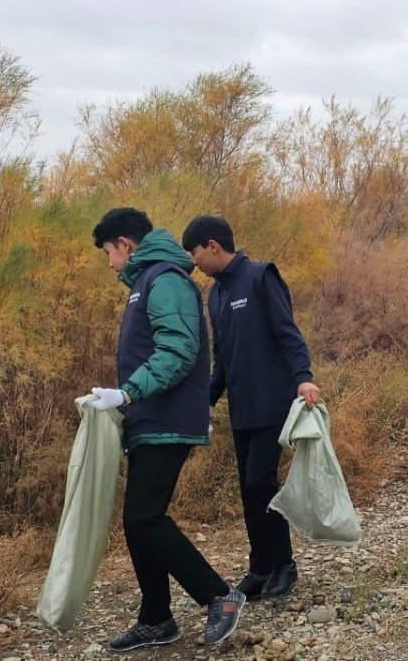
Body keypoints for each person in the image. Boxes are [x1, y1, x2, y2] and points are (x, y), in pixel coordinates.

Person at [88, 208, 244, 651]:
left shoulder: (165, 280)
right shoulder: (145, 283)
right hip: (149, 421)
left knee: (144, 517)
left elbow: (177, 350)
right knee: (137, 522)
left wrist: (128, 393)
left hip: (167, 420)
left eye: (108, 253)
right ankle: (156, 618)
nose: (109, 263)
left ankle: (218, 595)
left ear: (125, 244)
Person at [180, 215, 320, 602]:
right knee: (249, 489)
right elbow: (221, 360)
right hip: (242, 409)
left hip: (272, 402)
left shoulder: (261, 277)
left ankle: (284, 566)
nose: (195, 265)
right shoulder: (217, 296)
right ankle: (261, 568)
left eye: (194, 255)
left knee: (261, 482)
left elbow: (288, 332)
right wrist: (203, 403)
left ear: (212, 246)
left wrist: (303, 376)